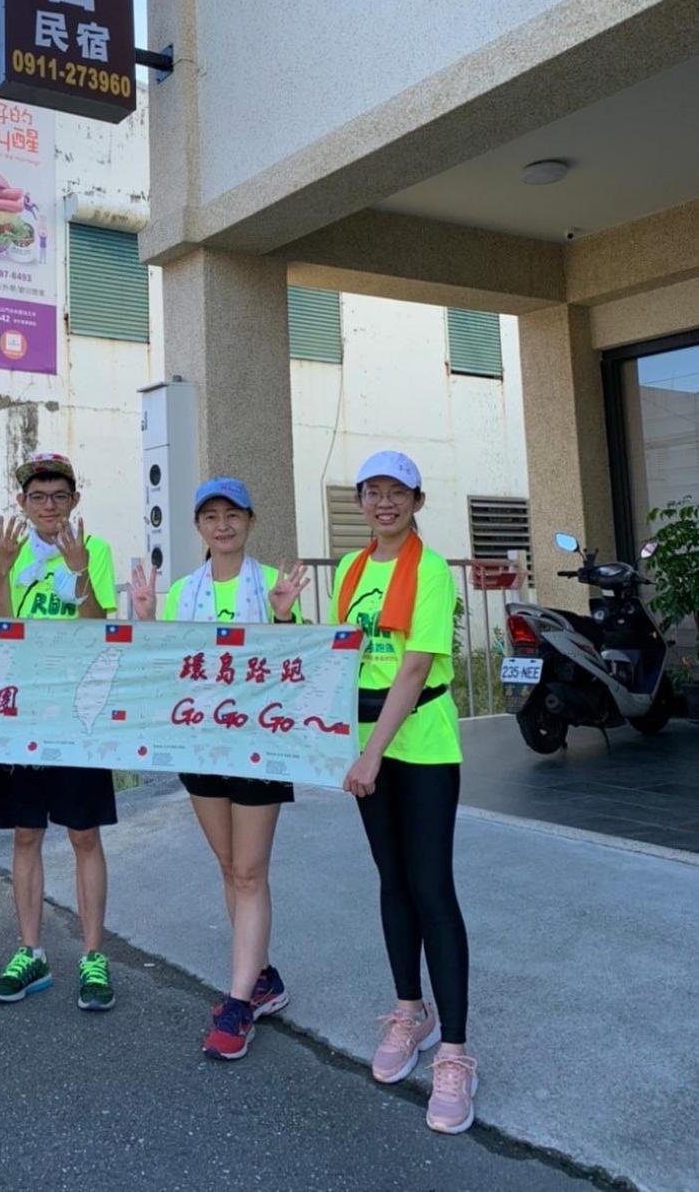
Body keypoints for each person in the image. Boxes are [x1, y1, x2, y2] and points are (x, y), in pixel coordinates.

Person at [131, 477, 308, 1061]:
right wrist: (147, 621)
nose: (223, 524)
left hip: (260, 744)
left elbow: (300, 668)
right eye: (211, 516)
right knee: (231, 867)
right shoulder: (184, 592)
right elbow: (167, 667)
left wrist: (285, 617)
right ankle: (262, 979)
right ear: (198, 527)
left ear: (250, 521)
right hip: (202, 743)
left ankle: (238, 1004)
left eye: (233, 514)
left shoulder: (274, 586)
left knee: (250, 873)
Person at [332, 451, 475, 1134]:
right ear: (361, 501)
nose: (384, 503)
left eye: (398, 492)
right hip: (367, 744)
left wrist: (371, 754)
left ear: (417, 501)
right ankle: (409, 1011)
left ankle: (455, 1052)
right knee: (392, 880)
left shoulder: (433, 570)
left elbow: (414, 668)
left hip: (419, 746)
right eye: (373, 492)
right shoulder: (352, 569)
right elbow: (342, 656)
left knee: (431, 887)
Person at [0, 451, 119, 1011]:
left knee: (85, 834)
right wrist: (0, 569)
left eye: (59, 496)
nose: (48, 507)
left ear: (74, 500)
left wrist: (79, 570)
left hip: (77, 712)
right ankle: (31, 952)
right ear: (22, 502)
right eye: (37, 497)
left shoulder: (95, 549)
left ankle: (93, 956)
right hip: (22, 712)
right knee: (25, 834)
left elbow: (98, 629)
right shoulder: (8, 551)